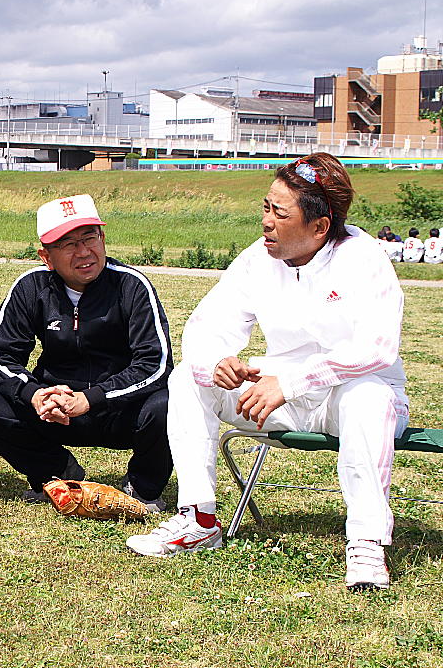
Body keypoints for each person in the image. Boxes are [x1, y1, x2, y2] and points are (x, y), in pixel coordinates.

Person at [125, 153, 409, 592]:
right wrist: (218, 362)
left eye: (280, 213)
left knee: (366, 397)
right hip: (279, 394)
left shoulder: (363, 257)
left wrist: (292, 383)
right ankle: (198, 519)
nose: (266, 222)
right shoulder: (258, 258)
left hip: (353, 395)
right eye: (265, 207)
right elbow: (208, 325)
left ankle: (367, 543)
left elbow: (377, 349)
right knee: (188, 379)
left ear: (320, 226)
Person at [0, 194, 173, 509]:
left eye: (90, 238)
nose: (84, 252)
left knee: (171, 404)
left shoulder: (132, 285)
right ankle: (57, 474)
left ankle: (142, 489)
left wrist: (91, 398)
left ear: (103, 239)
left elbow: (155, 364)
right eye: (68, 244)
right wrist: (35, 394)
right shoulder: (31, 287)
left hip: (119, 408)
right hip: (56, 410)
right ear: (46, 256)